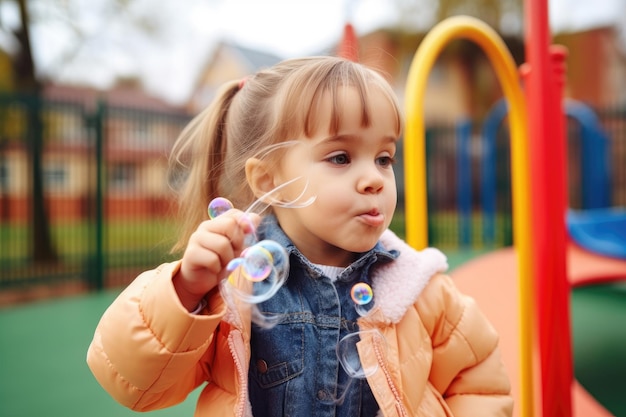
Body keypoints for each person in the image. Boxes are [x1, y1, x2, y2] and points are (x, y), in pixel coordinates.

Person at [87, 56, 513, 417]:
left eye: (384, 158)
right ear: (268, 179)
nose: (374, 179)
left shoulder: (419, 289)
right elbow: (135, 383)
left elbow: (481, 387)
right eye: (341, 156)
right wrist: (186, 291)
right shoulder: (232, 291)